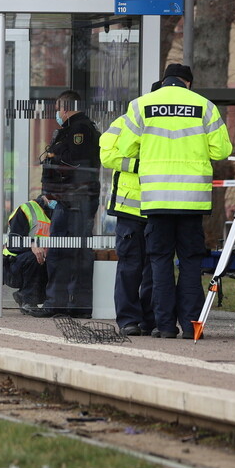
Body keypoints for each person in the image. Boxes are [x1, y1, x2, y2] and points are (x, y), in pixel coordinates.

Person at [116, 64, 233, 338]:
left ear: (164, 81)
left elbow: (125, 148)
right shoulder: (204, 106)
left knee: (160, 261)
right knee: (191, 262)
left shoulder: (141, 105)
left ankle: (165, 326)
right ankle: (193, 326)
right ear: (188, 84)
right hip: (192, 200)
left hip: (156, 199)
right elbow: (222, 150)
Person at [26, 90, 101, 318]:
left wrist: (53, 160)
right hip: (67, 200)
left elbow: (75, 166)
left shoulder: (80, 130)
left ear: (66, 108)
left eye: (58, 108)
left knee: (68, 253)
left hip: (74, 201)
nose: (58, 113)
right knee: (66, 252)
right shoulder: (72, 129)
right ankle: (65, 304)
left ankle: (66, 305)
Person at [100, 108, 154, 336]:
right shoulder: (125, 121)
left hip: (159, 206)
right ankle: (129, 320)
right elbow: (107, 156)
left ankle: (149, 320)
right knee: (131, 265)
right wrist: (139, 166)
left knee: (155, 268)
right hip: (131, 206)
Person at [3, 194, 54, 313]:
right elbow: (13, 242)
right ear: (46, 196)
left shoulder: (58, 213)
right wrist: (32, 245)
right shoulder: (26, 209)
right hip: (13, 264)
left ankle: (48, 301)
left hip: (43, 261)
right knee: (35, 257)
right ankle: (27, 299)